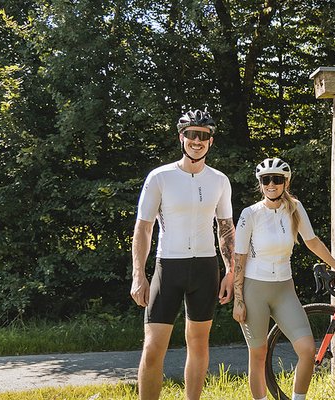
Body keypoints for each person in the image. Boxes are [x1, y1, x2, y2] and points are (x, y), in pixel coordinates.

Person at [129, 109, 235, 400]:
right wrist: (139, 275)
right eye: (191, 134)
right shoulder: (160, 177)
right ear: (181, 138)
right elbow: (143, 228)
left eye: (203, 136)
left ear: (210, 141)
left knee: (199, 344)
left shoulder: (219, 180)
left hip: (205, 267)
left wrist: (230, 271)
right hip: (169, 266)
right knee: (152, 348)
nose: (197, 141)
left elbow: (225, 228)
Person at [232, 157, 335, 400]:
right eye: (266, 179)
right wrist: (238, 299)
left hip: (284, 289)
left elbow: (312, 242)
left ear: (286, 182)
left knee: (308, 350)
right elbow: (239, 258)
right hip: (254, 289)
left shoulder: (295, 208)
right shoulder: (251, 214)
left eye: (277, 179)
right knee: (258, 354)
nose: (271, 184)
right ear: (260, 183)